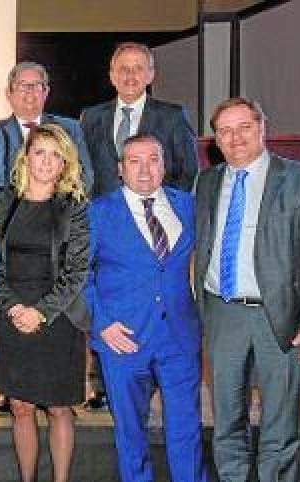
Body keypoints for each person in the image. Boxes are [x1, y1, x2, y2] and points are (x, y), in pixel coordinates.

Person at [194, 97, 300, 482]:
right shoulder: (206, 181)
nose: (235, 138)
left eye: (244, 127)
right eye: (225, 131)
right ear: (216, 140)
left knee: (280, 427)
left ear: (262, 128)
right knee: (226, 421)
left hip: (286, 318)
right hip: (222, 312)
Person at [84, 135, 206, 482]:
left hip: (180, 337)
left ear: (164, 166)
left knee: (187, 428)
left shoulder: (189, 206)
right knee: (130, 431)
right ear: (120, 170)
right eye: (134, 161)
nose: (144, 169)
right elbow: (78, 275)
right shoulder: (99, 212)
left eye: (153, 159)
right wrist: (101, 324)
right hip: (123, 338)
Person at [0, 124, 91, 482]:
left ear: (65, 163)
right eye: (40, 152)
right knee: (20, 406)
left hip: (58, 316)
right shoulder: (3, 202)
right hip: (10, 313)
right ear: (26, 157)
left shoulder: (74, 209)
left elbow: (77, 271)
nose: (47, 161)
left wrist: (41, 312)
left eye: (55, 154)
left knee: (60, 408)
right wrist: (14, 308)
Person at [80, 42, 198, 197]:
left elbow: (188, 170)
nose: (130, 75)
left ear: (150, 75)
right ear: (112, 76)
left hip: (154, 213)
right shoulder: (91, 117)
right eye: (124, 69)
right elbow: (81, 168)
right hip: (104, 213)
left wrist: (170, 206)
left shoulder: (172, 116)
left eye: (138, 68)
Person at [0, 61, 93, 201]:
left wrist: (58, 211)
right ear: (8, 93)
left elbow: (85, 177)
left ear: (46, 92)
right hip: (12, 218)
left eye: (37, 85)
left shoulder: (71, 128)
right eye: (23, 85)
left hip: (61, 216)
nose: (30, 91)